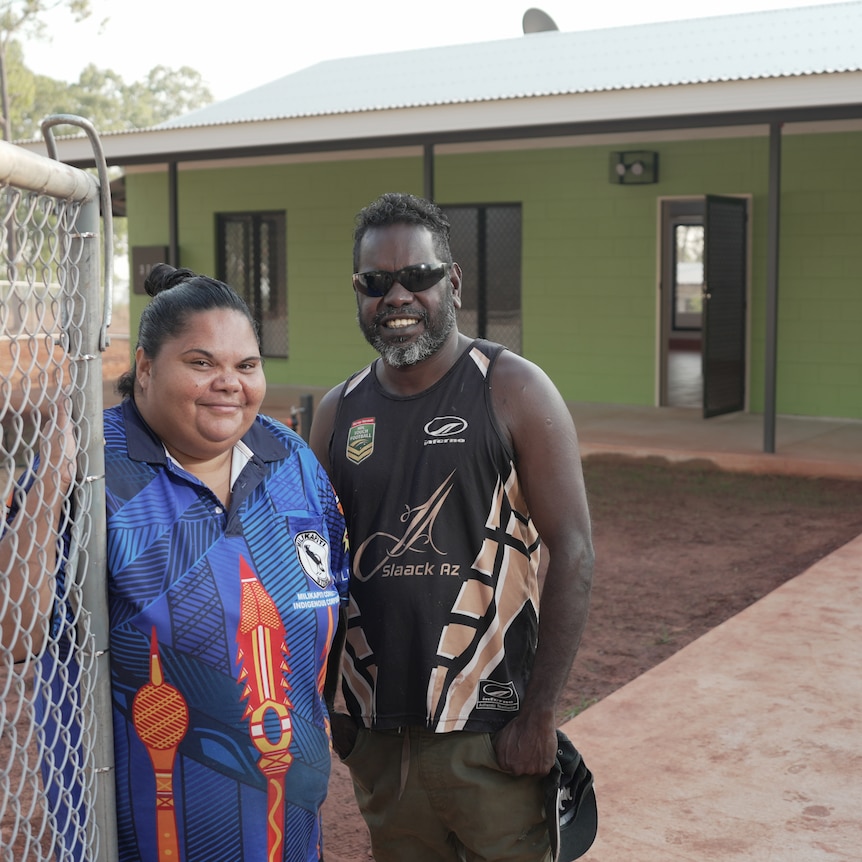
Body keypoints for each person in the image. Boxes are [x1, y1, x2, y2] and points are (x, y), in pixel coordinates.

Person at [2, 265, 350, 862]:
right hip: (140, 837)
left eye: (246, 366)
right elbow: (15, 634)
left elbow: (333, 597)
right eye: (201, 363)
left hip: (289, 834)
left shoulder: (288, 457)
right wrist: (57, 465)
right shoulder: (94, 468)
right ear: (143, 367)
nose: (229, 384)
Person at [309, 192, 595, 862]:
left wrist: (540, 715)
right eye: (375, 283)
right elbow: (316, 567)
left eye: (419, 276)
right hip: (379, 737)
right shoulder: (337, 413)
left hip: (492, 736)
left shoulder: (512, 389)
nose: (397, 296)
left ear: (454, 281)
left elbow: (574, 551)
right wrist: (334, 706)